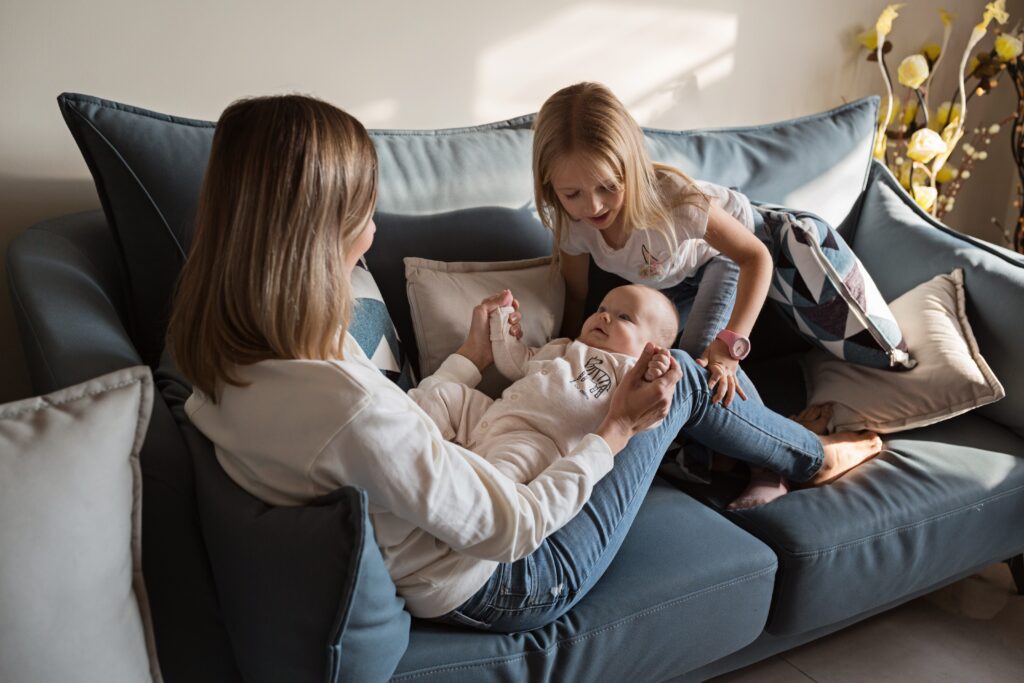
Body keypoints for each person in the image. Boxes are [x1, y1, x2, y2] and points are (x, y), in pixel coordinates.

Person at [168, 94, 882, 634]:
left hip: (461, 527)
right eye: (363, 213)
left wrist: (470, 363)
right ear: (310, 237)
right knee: (685, 379)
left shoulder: (238, 360)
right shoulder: (340, 405)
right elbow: (509, 524)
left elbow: (393, 434)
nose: (375, 232)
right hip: (514, 577)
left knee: (686, 370)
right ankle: (810, 456)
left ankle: (768, 448)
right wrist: (616, 430)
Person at [531, 81, 783, 507]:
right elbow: (576, 295)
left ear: (631, 168)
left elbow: (756, 258)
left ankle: (771, 466)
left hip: (719, 258)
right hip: (664, 280)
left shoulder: (676, 202)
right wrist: (572, 350)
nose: (592, 206)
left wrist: (730, 347)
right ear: (550, 187)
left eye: (608, 187)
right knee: (651, 366)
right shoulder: (572, 223)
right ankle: (707, 459)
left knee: (702, 363)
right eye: (573, 194)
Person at [412, 284, 680, 484]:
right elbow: (515, 363)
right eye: (602, 309)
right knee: (444, 394)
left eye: (624, 317)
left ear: (650, 347)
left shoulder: (628, 370)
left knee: (498, 480)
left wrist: (652, 375)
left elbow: (648, 413)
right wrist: (503, 328)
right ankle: (411, 442)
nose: (604, 317)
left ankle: (454, 490)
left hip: (536, 443)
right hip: (491, 412)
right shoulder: (562, 346)